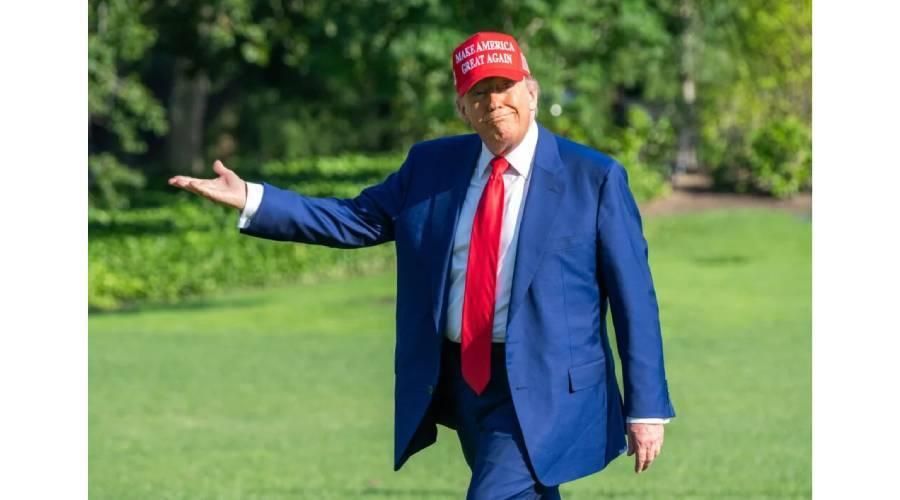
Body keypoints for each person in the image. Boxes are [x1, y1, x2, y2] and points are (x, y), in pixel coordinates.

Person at [169, 31, 675, 499]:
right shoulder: (432, 167)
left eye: (504, 87)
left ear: (532, 93)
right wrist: (252, 198)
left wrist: (647, 407)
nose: (494, 102)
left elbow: (634, 298)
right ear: (463, 108)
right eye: (479, 93)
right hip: (464, 378)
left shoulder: (594, 178)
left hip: (548, 387)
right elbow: (354, 219)